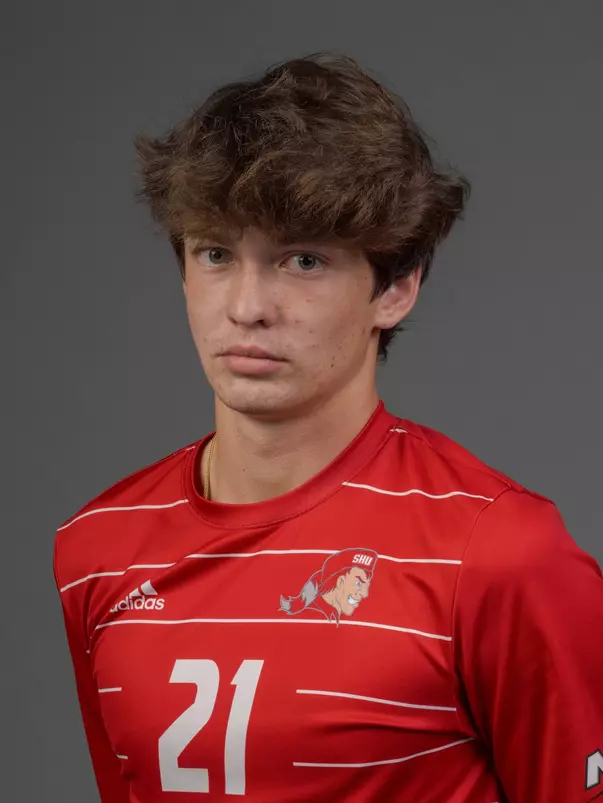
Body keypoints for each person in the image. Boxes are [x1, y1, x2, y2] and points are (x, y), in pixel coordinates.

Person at [54, 53, 603, 803]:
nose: (247, 305)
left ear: (397, 287)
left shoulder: (501, 556)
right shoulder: (98, 547)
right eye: (215, 254)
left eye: (302, 260)